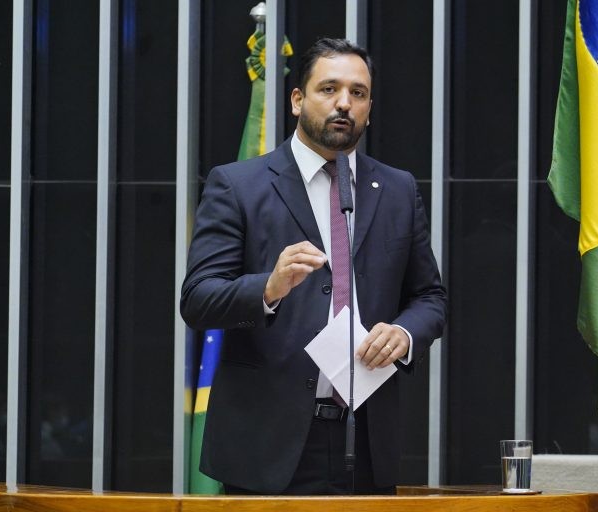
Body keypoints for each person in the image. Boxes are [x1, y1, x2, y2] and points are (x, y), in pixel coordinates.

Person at [181, 37, 446, 495]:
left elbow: (430, 297)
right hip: (267, 443)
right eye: (329, 89)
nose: (344, 103)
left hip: (367, 439)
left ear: (369, 109)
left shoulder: (398, 189)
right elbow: (198, 299)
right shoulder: (238, 185)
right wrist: (268, 287)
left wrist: (404, 334)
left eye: (358, 93)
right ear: (297, 100)